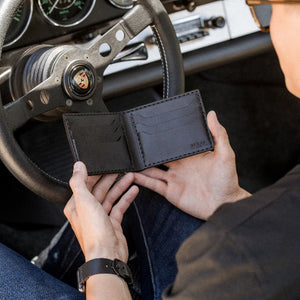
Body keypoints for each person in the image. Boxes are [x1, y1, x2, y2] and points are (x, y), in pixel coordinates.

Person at [0, 1, 300, 299]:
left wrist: (102, 257)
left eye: (268, 7)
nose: (269, 23)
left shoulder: (231, 258)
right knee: (145, 189)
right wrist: (230, 202)